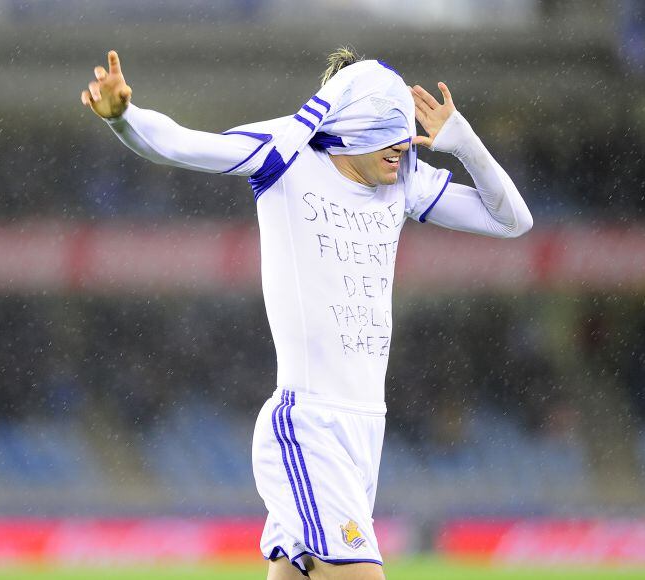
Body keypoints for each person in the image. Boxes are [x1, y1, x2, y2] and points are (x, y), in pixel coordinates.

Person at [81, 47, 532, 580]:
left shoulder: (404, 178)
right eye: (381, 122)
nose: (399, 142)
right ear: (347, 117)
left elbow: (512, 221)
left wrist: (463, 141)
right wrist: (123, 117)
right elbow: (181, 144)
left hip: (366, 430)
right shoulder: (286, 158)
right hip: (310, 424)